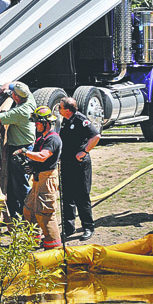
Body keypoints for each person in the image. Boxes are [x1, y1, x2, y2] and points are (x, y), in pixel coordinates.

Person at [0, 81, 37, 217]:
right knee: (15, 183)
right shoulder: (29, 97)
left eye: (12, 94)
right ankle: (17, 213)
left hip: (21, 150)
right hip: (25, 145)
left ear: (17, 97)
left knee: (20, 184)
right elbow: (17, 83)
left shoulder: (20, 111)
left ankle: (28, 215)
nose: (10, 94)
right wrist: (7, 85)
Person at [20, 106, 63, 249]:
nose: (35, 125)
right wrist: (30, 164)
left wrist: (25, 153)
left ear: (46, 123)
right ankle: (32, 241)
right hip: (38, 179)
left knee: (45, 213)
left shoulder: (53, 139)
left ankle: (53, 246)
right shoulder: (41, 138)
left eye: (38, 123)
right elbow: (36, 158)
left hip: (47, 180)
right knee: (29, 209)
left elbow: (43, 156)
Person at [58, 97, 100, 240]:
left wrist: (85, 151)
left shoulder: (81, 120)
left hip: (79, 164)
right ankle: (69, 228)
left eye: (61, 107)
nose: (59, 110)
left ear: (68, 110)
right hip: (66, 163)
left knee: (81, 196)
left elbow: (96, 136)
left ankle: (88, 227)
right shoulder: (66, 120)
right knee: (67, 196)